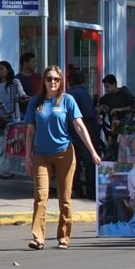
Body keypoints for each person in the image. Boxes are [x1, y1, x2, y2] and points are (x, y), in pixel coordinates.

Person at [24, 65, 101, 250]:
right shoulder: (35, 102)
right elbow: (30, 131)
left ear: (61, 82)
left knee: (65, 198)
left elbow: (80, 126)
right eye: (49, 78)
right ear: (44, 81)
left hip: (64, 153)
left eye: (56, 79)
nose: (53, 82)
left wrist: (92, 151)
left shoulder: (67, 100)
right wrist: (27, 156)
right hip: (41, 155)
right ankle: (38, 238)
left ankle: (64, 237)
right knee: (40, 196)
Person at [0, 60, 27, 174]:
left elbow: (21, 93)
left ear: (8, 70)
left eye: (2, 68)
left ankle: (12, 167)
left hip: (11, 118)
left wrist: (23, 97)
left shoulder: (15, 82)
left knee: (12, 142)